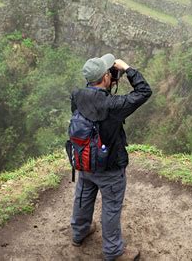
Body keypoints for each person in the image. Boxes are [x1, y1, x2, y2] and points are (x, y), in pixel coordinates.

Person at [70, 54, 151, 261]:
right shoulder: (113, 106)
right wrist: (127, 68)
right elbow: (144, 91)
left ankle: (79, 232)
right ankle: (113, 251)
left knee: (83, 196)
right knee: (111, 207)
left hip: (84, 162)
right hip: (110, 168)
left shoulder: (77, 96)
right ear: (106, 77)